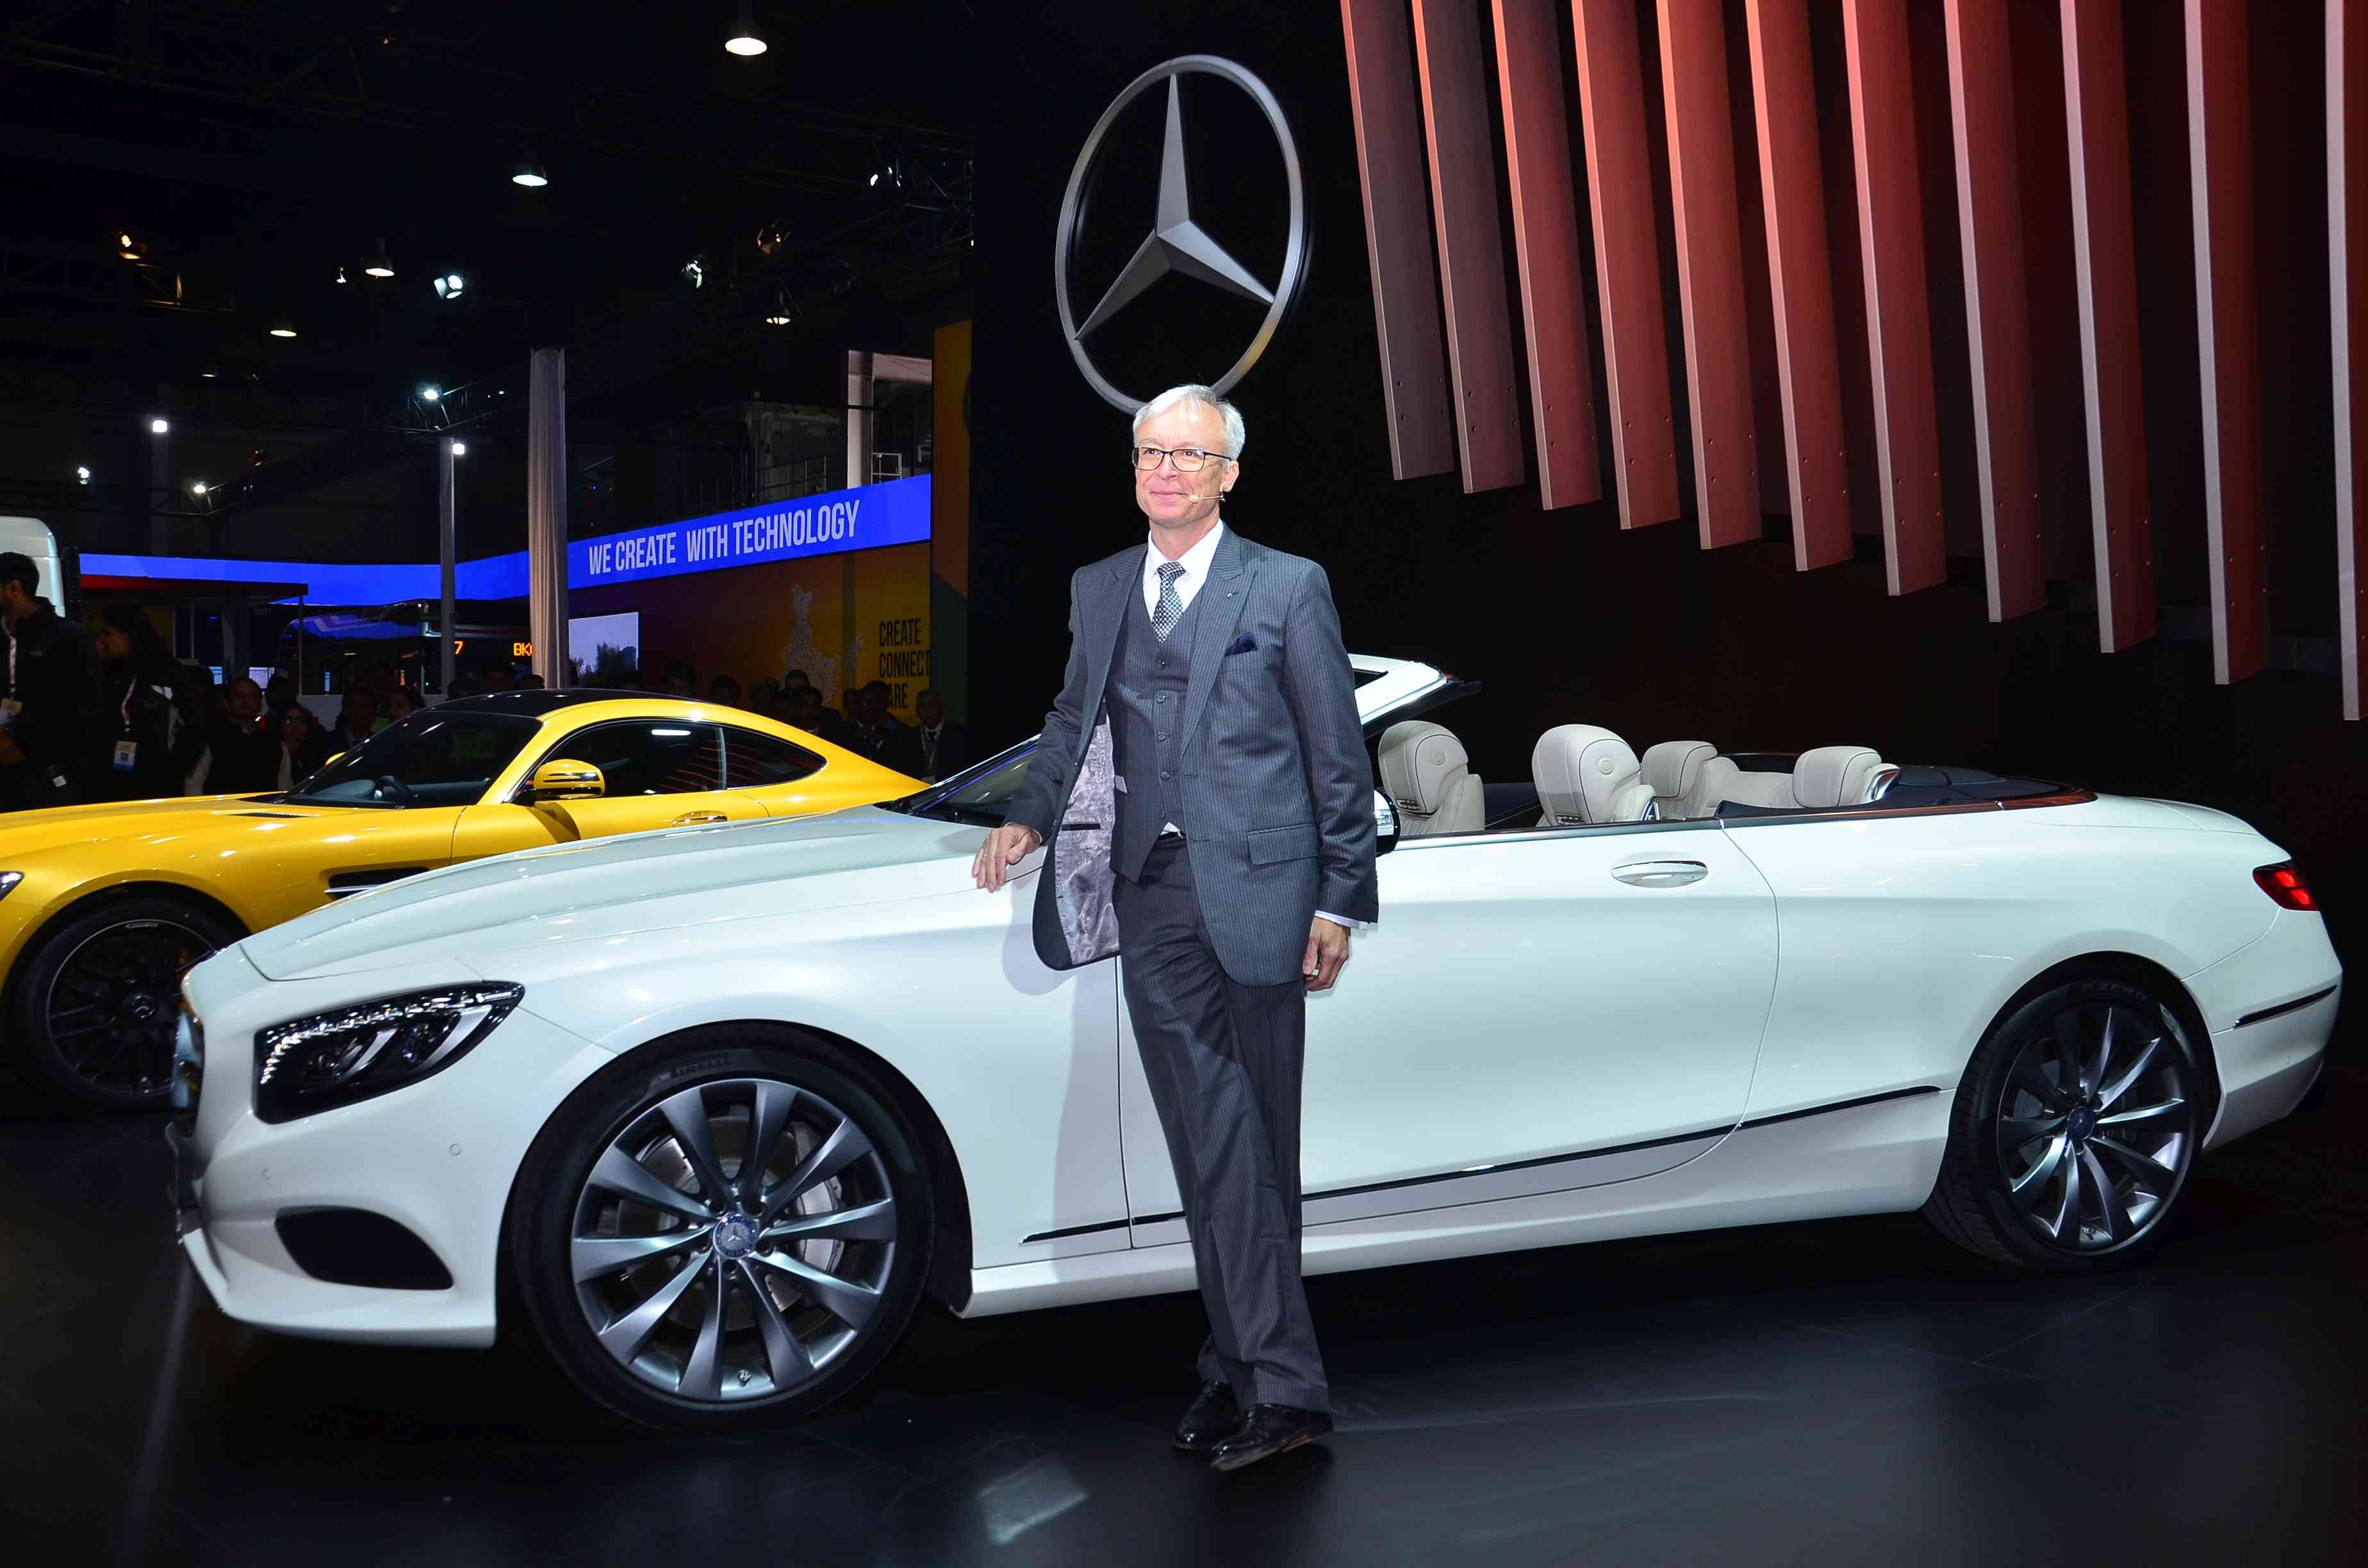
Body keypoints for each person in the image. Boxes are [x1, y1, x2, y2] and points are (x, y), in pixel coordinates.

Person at [974, 384, 1376, 1472]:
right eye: (1151, 450)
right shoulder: (1101, 586)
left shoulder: (1288, 586)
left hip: (1266, 901)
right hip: (1152, 897)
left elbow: (1338, 752)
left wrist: (1342, 897)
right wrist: (1024, 811)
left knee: (1254, 1148)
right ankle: (1269, 1379)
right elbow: (1072, 720)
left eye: (1189, 453)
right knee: (1215, 1134)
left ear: (1227, 473)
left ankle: (1250, 1370)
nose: (1166, 469)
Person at [0, 551, 103, 808]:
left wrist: (18, 736)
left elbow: (80, 706)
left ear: (14, 589)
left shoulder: (68, 637)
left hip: (50, 777)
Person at [95, 602, 202, 801]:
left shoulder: (168, 674)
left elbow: (196, 727)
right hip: (112, 785)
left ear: (128, 634)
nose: (101, 642)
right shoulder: (109, 674)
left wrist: (171, 770)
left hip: (157, 788)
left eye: (107, 634)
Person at [186, 677, 280, 794]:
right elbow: (194, 783)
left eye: (252, 696)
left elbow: (284, 786)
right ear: (227, 702)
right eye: (239, 696)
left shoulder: (273, 743)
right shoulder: (210, 739)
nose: (246, 701)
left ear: (260, 703)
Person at [889, 687, 973, 782]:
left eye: (932, 705)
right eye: (923, 706)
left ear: (941, 707)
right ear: (917, 711)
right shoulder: (907, 738)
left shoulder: (959, 736)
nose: (927, 710)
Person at [846, 679, 903, 764]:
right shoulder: (849, 731)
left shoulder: (903, 733)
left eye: (871, 702)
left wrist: (877, 741)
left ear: (885, 703)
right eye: (863, 702)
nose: (866, 707)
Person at [275, 704, 330, 787]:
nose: (295, 725)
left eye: (300, 720)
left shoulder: (319, 752)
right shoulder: (274, 753)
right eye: (289, 721)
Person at [322, 689, 377, 756]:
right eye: (355, 706)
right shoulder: (325, 743)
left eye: (366, 706)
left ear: (374, 712)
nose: (360, 711)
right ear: (345, 710)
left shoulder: (379, 743)